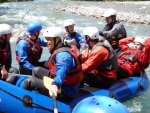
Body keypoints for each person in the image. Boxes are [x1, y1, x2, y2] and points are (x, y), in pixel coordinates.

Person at [22, 27, 83, 102]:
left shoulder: (63, 56)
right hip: (62, 82)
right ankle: (39, 93)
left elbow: (62, 71)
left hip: (65, 91)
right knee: (36, 70)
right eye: (46, 39)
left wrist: (55, 84)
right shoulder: (61, 48)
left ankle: (24, 102)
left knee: (29, 81)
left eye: (49, 39)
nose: (46, 42)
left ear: (57, 40)